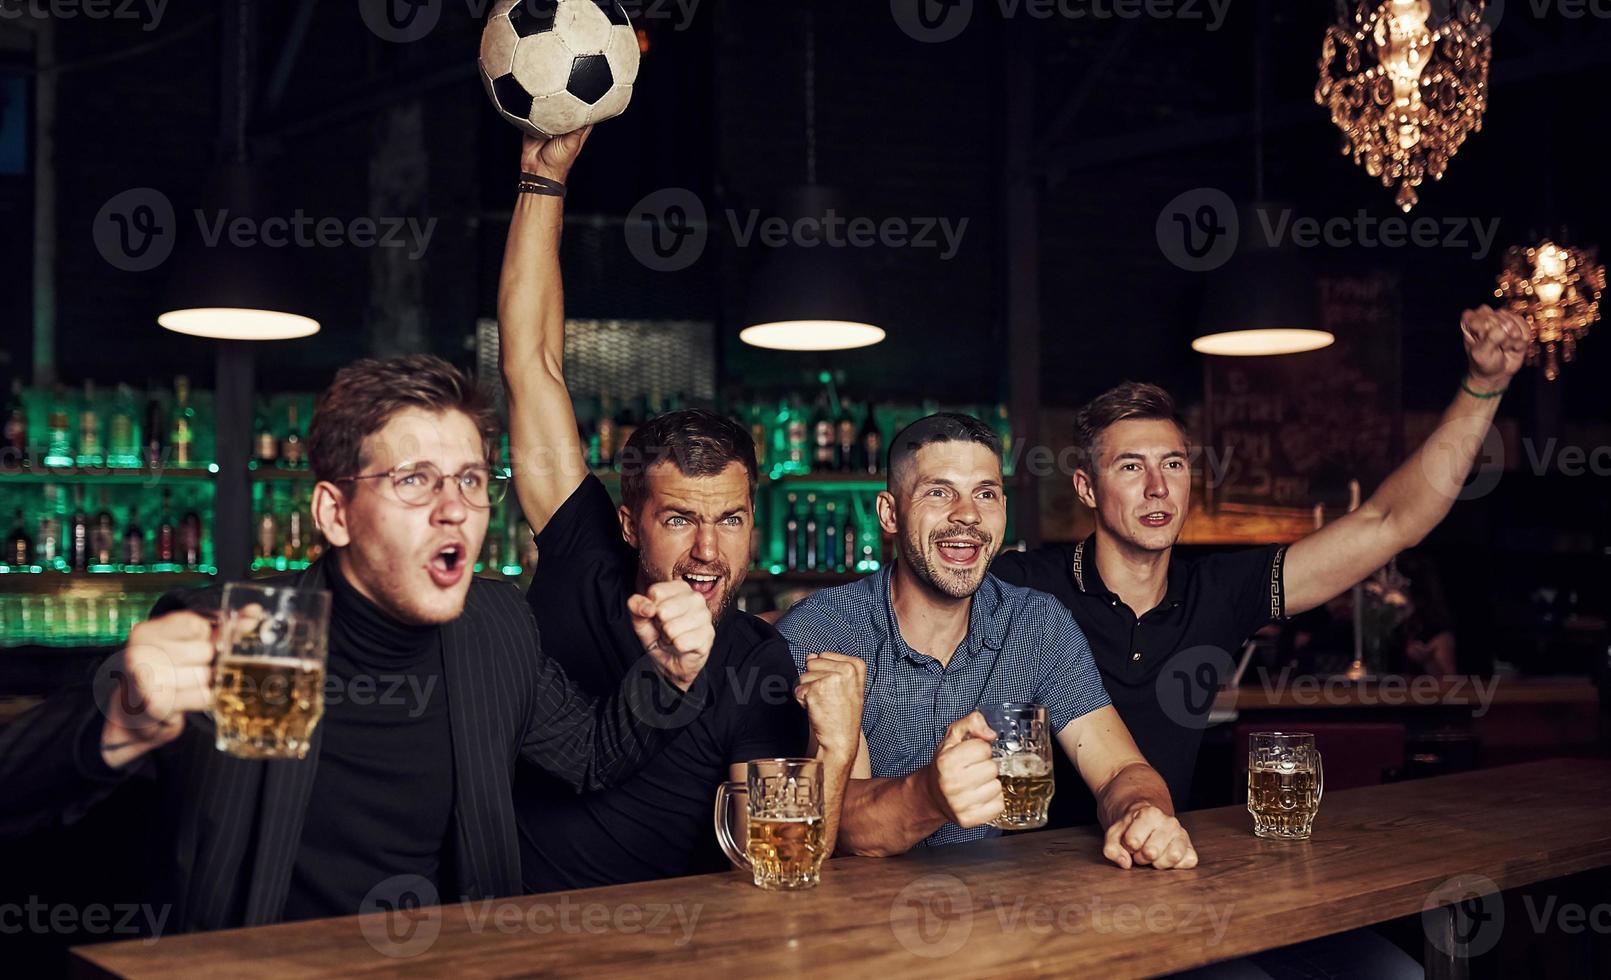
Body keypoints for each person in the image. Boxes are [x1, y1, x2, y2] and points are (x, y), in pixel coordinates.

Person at [0, 355, 714, 934]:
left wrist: (667, 675)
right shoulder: (237, 635)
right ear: (334, 513)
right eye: (413, 481)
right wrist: (119, 717)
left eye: (470, 479)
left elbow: (588, 757)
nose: (454, 507)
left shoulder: (496, 626)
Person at [498, 127, 863, 891]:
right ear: (630, 522)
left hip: (658, 950)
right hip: (496, 922)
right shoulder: (581, 550)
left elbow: (782, 863)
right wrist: (542, 175)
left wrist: (835, 743)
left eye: (729, 520)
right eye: (679, 519)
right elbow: (531, 364)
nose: (707, 552)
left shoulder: (756, 664)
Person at [991, 307, 1527, 821]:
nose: (1157, 488)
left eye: (1172, 464)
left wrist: (1484, 387)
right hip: (1031, 871)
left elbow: (1389, 523)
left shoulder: (1220, 589)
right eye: (1131, 466)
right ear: (1086, 488)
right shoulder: (1026, 585)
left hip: (1159, 858)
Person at [776, 413, 1197, 870]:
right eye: (939, 492)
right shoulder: (822, 632)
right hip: (857, 924)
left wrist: (1141, 812)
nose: (968, 514)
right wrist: (931, 794)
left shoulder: (1033, 622)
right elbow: (843, 826)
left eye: (986, 493)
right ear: (890, 513)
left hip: (998, 912)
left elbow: (1119, 768)